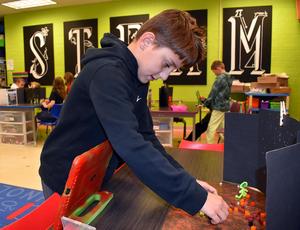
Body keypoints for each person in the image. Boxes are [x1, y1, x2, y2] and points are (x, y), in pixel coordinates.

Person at [39, 10, 228, 224]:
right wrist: (194, 197)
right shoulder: (107, 72)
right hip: (63, 176)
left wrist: (189, 182)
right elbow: (130, 143)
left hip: (96, 173)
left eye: (172, 69)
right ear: (147, 41)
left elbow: (146, 136)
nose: (164, 76)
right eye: (167, 64)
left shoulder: (138, 77)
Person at [202, 60, 233, 144]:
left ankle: (210, 147)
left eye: (214, 71)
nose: (214, 74)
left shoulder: (220, 78)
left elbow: (213, 93)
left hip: (219, 107)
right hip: (226, 106)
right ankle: (229, 144)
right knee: (224, 128)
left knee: (211, 128)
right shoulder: (229, 77)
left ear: (218, 68)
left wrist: (204, 103)